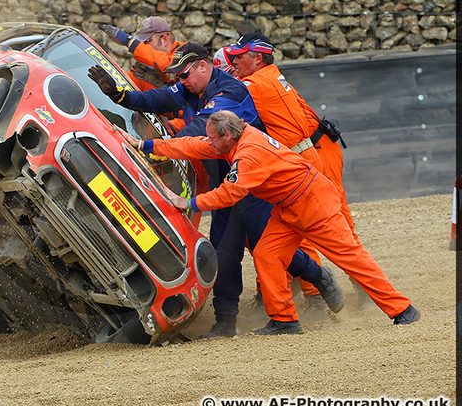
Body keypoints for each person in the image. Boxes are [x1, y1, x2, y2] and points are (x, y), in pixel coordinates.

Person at [87, 43, 343, 338]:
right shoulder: (191, 86)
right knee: (225, 250)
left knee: (265, 247)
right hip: (226, 182)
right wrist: (119, 95)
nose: (180, 82)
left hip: (254, 182)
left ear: (203, 66)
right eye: (179, 77)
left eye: (184, 75)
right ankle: (226, 322)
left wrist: (155, 150)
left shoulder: (228, 93)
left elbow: (198, 132)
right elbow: (156, 98)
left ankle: (313, 278)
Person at [120, 109, 420, 334]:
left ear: (228, 136)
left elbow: (229, 193)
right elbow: (193, 145)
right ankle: (284, 320)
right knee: (266, 253)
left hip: (312, 204)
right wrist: (144, 146)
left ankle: (402, 309)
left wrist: (188, 203)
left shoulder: (249, 155)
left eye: (213, 138)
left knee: (351, 257)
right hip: (290, 204)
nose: (209, 142)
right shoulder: (238, 137)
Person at [226, 32, 373, 309]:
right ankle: (356, 285)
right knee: (334, 223)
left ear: (257, 58)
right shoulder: (269, 75)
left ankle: (321, 295)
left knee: (312, 227)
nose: (235, 62)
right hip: (319, 147)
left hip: (310, 153)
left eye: (239, 57)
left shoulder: (253, 83)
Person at [98, 16, 185, 92]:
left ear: (164, 40)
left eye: (146, 41)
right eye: (140, 43)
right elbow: (127, 90)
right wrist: (113, 90)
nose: (143, 46)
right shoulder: (143, 68)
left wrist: (129, 42)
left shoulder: (187, 51)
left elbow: (170, 66)